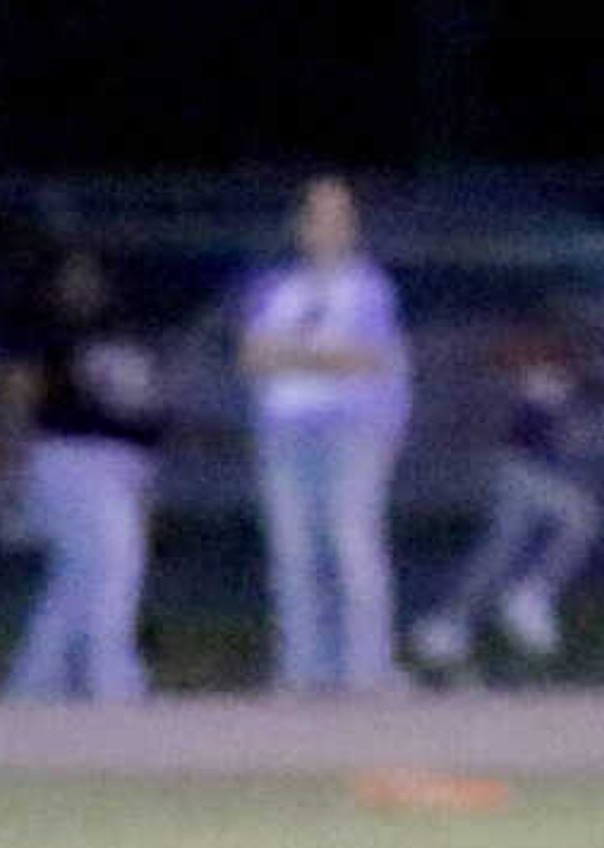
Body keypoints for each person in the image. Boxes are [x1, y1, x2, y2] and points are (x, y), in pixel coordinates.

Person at [240, 176, 410, 696]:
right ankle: (301, 672)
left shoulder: (370, 286)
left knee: (353, 545)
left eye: (340, 216)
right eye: (318, 216)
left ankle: (368, 672)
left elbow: (369, 359)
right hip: (285, 435)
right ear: (301, 227)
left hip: (353, 432)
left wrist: (290, 353)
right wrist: (324, 356)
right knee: (293, 554)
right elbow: (251, 359)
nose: (329, 227)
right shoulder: (273, 288)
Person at [0, 248, 167, 703]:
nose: (82, 284)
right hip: (69, 455)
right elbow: (18, 392)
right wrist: (13, 457)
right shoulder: (44, 329)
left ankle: (34, 682)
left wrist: (146, 477)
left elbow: (147, 406)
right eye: (72, 275)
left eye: (90, 275)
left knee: (78, 575)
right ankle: (113, 677)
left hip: (124, 461)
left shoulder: (125, 332)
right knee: (116, 560)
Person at [410, 328, 597, 676]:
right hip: (519, 471)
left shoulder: (572, 387)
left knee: (502, 546)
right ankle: (531, 592)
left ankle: (451, 621)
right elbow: (524, 436)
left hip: (534, 473)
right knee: (579, 518)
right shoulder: (535, 383)